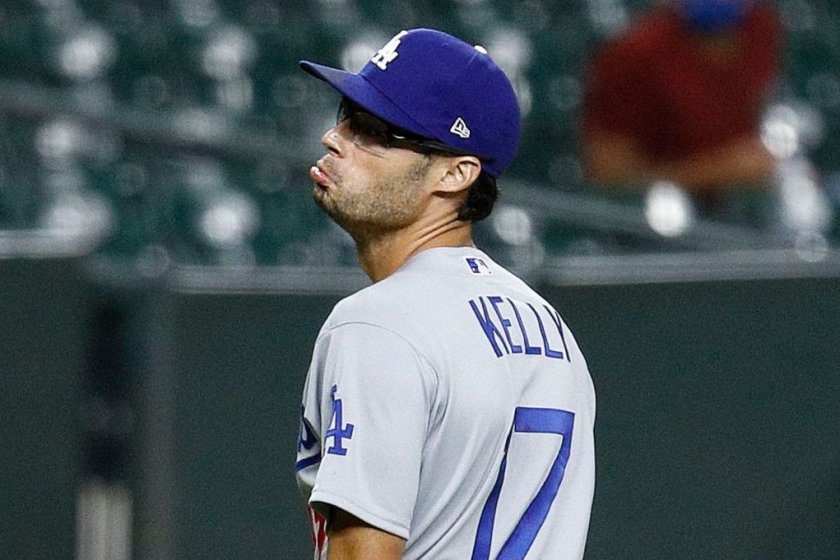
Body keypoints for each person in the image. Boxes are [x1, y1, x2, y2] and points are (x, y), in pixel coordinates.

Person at [294, 29, 596, 560]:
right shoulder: (550, 326)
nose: (334, 137)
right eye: (346, 114)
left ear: (457, 173)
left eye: (373, 130)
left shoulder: (378, 323)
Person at [581, 0, 783, 211]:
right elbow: (607, 179)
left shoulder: (762, 27)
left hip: (747, 206)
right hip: (661, 219)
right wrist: (716, 171)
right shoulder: (632, 55)